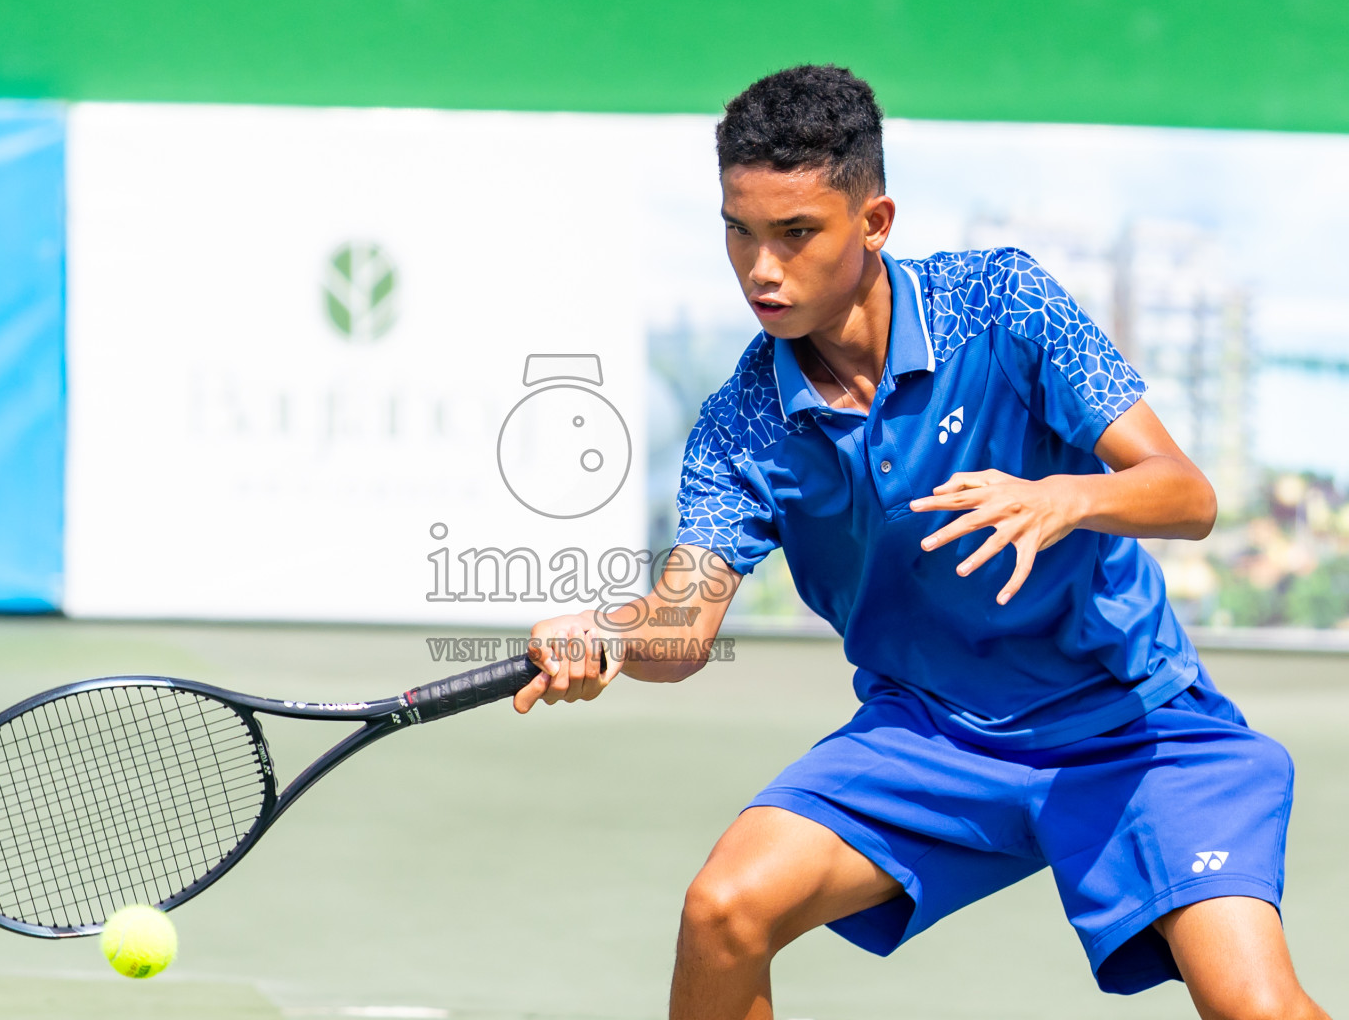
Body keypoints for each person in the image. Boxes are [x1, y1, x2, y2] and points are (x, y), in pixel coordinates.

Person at [516, 64, 1327, 1020]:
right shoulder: (741, 426)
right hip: (935, 736)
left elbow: (1186, 496)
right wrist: (610, 637)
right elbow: (681, 634)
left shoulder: (1003, 304)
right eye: (739, 230)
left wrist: (1063, 499)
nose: (761, 269)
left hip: (1135, 727)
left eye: (796, 233)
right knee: (724, 910)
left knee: (1258, 1011)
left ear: (875, 221)